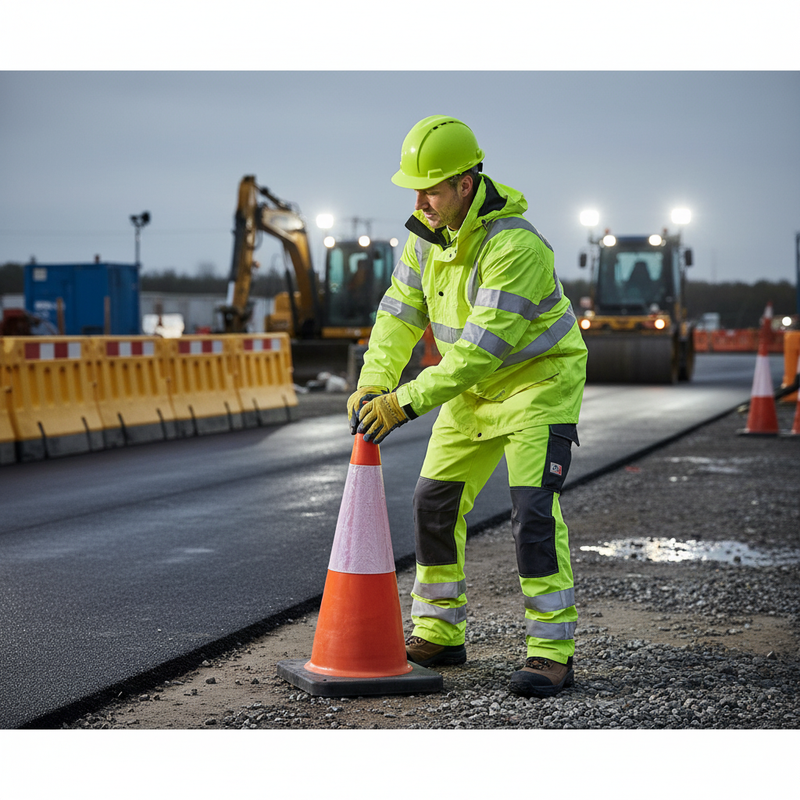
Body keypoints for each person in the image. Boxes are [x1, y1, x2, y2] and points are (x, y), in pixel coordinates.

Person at [347, 115, 587, 698]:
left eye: (430, 187)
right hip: (471, 393)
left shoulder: (517, 247)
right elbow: (399, 316)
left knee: (532, 515)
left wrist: (403, 403)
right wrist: (373, 382)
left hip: (537, 388)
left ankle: (551, 652)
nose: (419, 199)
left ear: (466, 182)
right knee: (434, 503)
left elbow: (480, 351)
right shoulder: (423, 238)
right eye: (415, 187)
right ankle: (438, 633)